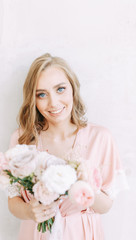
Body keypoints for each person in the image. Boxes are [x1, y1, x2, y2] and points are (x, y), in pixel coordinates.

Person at [8, 53, 127, 240]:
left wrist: (87, 188)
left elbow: (106, 206)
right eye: (42, 94)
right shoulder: (22, 139)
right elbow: (13, 202)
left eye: (60, 89)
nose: (53, 103)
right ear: (33, 99)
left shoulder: (100, 137)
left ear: (73, 88)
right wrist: (30, 211)